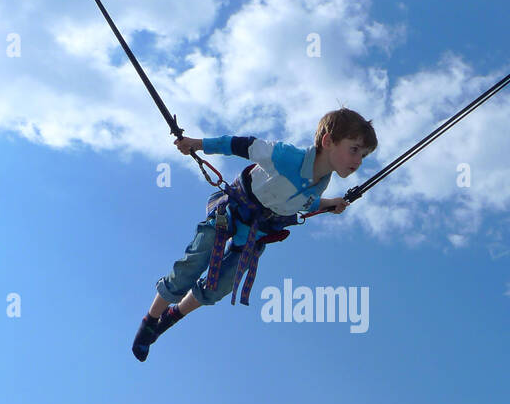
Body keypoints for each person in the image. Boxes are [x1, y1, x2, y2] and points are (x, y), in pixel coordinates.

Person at [132, 108, 377, 360]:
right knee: (194, 262)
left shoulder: (320, 184)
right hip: (233, 210)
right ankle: (150, 319)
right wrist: (197, 144)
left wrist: (328, 204)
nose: (358, 160)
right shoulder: (287, 156)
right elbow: (242, 145)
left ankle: (169, 319)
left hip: (257, 231)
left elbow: (301, 203)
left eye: (364, 155)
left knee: (219, 286)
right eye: (354, 149)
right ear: (328, 141)